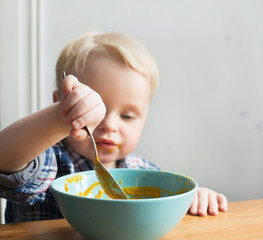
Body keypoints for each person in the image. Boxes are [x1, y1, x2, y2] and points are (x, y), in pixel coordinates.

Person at [0, 32, 228, 223]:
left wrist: (194, 198)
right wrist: (59, 120)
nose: (109, 125)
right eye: (93, 111)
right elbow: (5, 160)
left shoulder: (143, 173)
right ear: (60, 102)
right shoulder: (49, 161)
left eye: (127, 116)